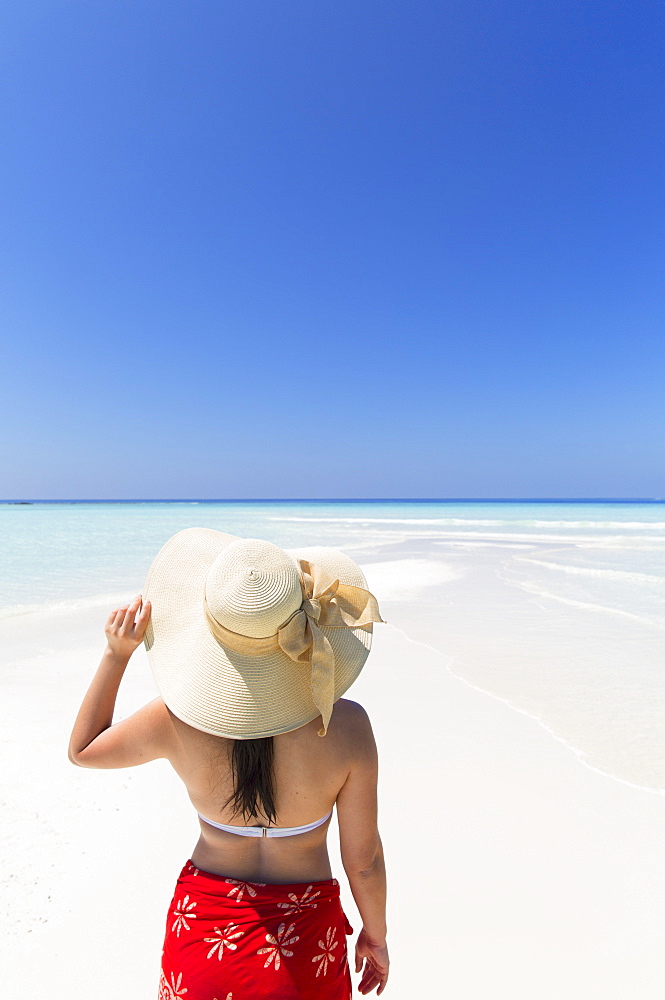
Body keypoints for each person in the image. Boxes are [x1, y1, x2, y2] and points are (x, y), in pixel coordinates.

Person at [68, 528, 390, 999]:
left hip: (204, 934)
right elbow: (364, 863)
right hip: (305, 948)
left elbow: (83, 751)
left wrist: (117, 655)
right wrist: (375, 935)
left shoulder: (174, 720)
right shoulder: (346, 727)